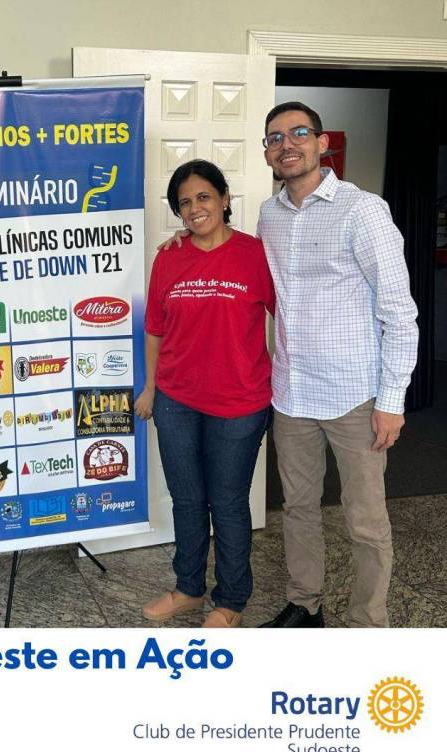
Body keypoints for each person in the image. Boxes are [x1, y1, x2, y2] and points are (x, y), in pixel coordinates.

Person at [256, 102, 418, 628]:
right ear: (267, 152)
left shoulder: (363, 210)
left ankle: (368, 625)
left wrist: (391, 401)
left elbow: (400, 313)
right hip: (292, 393)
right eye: (275, 137)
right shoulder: (268, 215)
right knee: (298, 509)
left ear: (322, 143)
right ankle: (305, 604)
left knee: (365, 521)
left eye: (299, 133)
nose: (287, 144)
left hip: (354, 396)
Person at [137, 160, 274, 628]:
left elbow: (291, 316)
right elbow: (155, 329)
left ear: (224, 199)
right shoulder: (169, 258)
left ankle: (231, 600)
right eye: (184, 203)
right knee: (187, 499)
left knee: (228, 502)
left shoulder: (256, 255)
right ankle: (188, 588)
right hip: (177, 401)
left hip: (239, 404)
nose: (194, 208)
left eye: (203, 197)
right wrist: (151, 387)